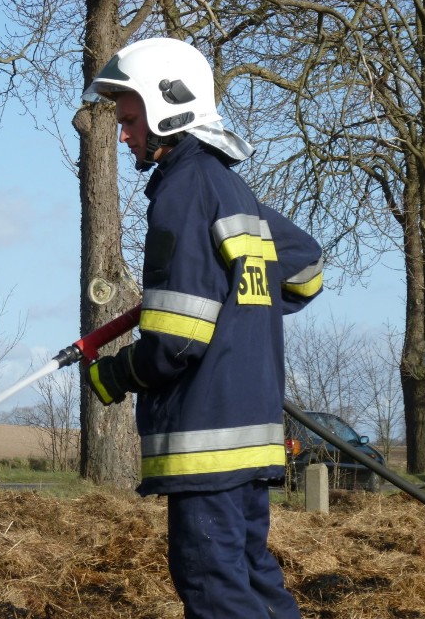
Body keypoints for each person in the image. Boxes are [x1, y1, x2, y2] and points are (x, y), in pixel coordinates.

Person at [81, 38, 323, 619]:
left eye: (131, 118)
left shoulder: (183, 190)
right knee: (253, 583)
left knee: (215, 595)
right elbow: (307, 270)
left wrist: (114, 373)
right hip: (250, 439)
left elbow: (176, 339)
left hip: (205, 441)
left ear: (171, 107)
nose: (123, 135)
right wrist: (242, 295)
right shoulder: (228, 187)